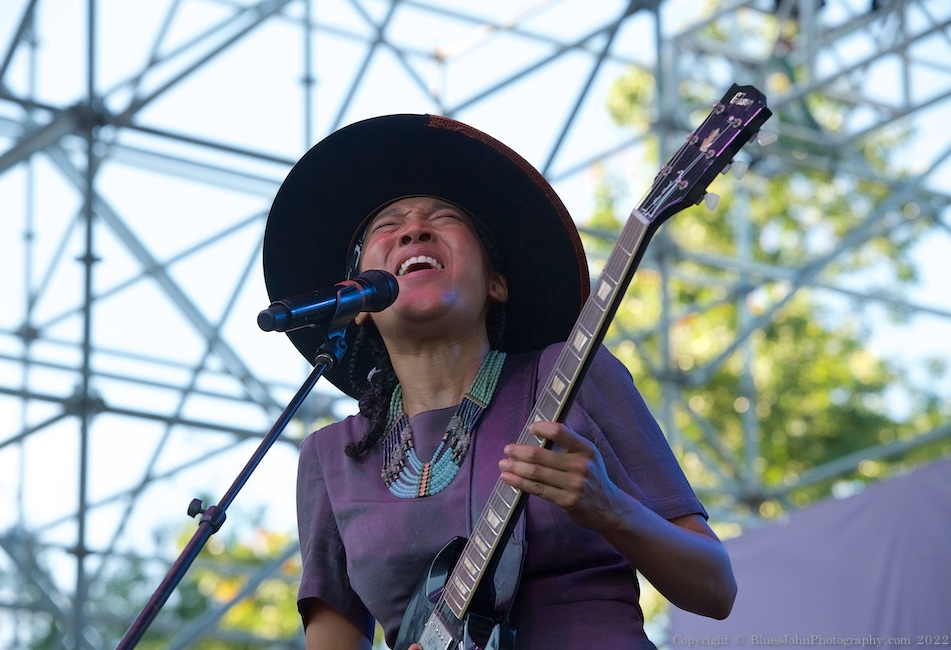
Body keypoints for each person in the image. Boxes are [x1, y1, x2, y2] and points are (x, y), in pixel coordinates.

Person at [262, 114, 736, 650]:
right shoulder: (332, 456)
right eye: (386, 227)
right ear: (359, 305)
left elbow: (716, 588)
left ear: (497, 283)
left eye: (442, 217)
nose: (414, 229)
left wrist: (610, 507)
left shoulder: (573, 374)